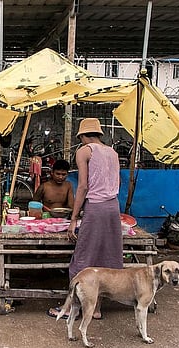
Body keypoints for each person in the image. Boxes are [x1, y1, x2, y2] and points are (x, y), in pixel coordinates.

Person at [47, 117, 123, 320]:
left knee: (83, 259)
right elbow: (118, 182)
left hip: (96, 208)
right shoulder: (113, 153)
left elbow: (83, 186)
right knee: (105, 259)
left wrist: (73, 218)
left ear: (82, 136)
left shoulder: (84, 151)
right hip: (113, 207)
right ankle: (96, 309)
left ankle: (72, 308)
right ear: (99, 134)